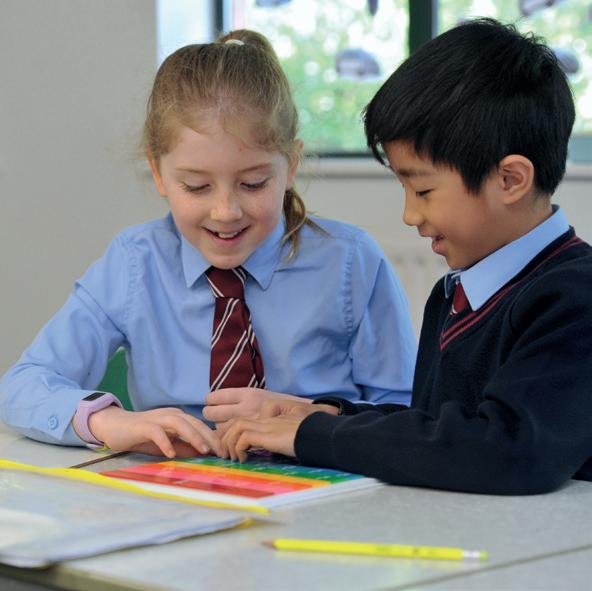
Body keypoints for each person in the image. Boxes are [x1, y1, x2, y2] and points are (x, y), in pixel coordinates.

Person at [0, 30, 416, 458]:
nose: (225, 211)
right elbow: (21, 386)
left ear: (291, 166)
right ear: (158, 174)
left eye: (253, 183)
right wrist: (113, 423)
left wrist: (310, 416)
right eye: (196, 187)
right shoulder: (134, 263)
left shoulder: (350, 262)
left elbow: (407, 411)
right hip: (177, 488)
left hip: (324, 486)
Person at [220, 19, 592, 495]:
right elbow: (438, 432)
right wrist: (328, 414)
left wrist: (316, 435)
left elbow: (507, 451)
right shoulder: (454, 293)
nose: (409, 214)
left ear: (510, 180)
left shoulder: (574, 298)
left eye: (423, 190)